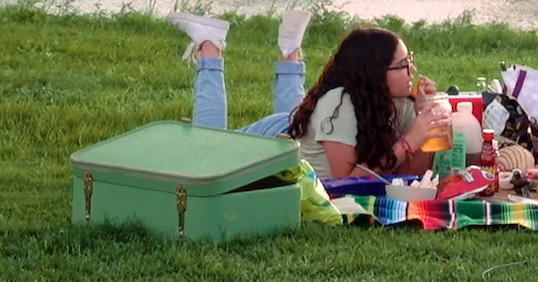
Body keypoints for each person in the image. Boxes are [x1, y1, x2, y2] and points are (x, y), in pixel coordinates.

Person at [170, 12, 450, 179]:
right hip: (271, 141)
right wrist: (410, 141)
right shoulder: (341, 104)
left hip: (301, 132)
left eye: (409, 60)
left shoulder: (395, 103)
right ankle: (210, 45)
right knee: (204, 150)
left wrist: (422, 123)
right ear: (375, 73)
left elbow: (411, 178)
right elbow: (347, 183)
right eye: (402, 65)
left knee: (304, 120)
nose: (412, 69)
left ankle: (290, 51)